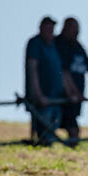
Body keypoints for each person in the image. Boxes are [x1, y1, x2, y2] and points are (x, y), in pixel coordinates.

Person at [25, 16, 64, 145]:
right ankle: (40, 146)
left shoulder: (54, 45)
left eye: (52, 28)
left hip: (54, 97)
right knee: (42, 127)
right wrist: (38, 94)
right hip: (42, 97)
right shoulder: (35, 43)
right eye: (48, 28)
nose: (50, 31)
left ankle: (45, 145)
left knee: (51, 126)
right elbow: (32, 69)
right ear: (41, 28)